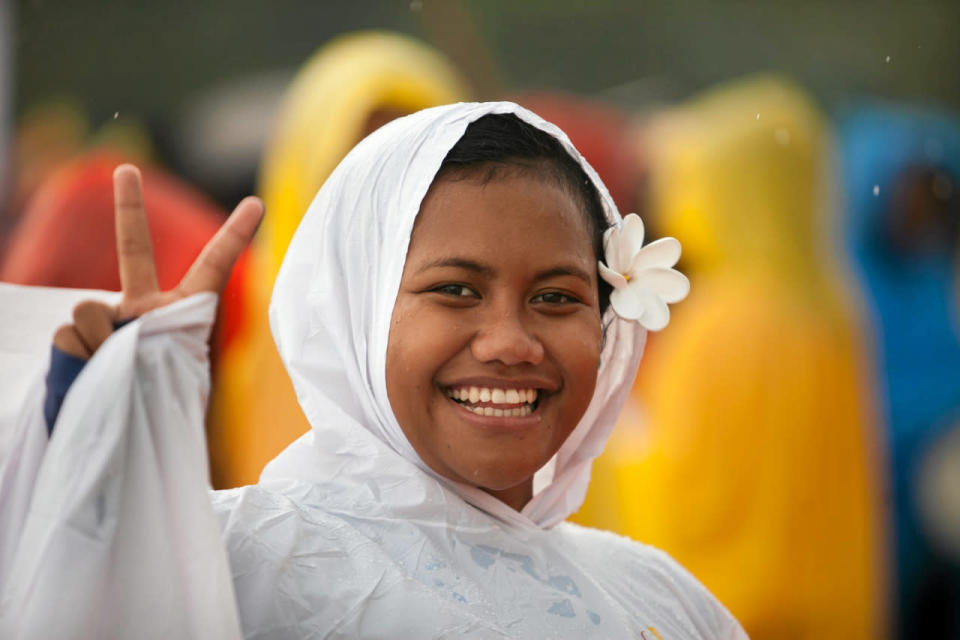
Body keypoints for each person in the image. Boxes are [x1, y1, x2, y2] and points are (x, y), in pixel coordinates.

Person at [0, 102, 746, 638]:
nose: (511, 342)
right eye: (456, 290)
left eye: (556, 297)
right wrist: (85, 446)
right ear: (353, 311)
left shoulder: (658, 597)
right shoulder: (244, 565)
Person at [574, 77, 889, 639]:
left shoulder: (724, 322)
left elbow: (687, 494)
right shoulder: (834, 305)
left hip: (730, 612)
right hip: (824, 610)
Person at [209, 31, 470, 487]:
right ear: (310, 160)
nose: (389, 187)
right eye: (361, 157)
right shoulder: (230, 302)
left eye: (417, 157)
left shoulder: (501, 309)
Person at [839, 102, 960, 638]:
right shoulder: (842, 291)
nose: (921, 208)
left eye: (934, 193)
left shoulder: (934, 281)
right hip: (867, 522)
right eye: (908, 191)